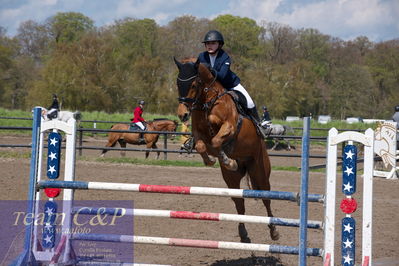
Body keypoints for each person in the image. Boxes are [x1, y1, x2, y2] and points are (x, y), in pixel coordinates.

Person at [198, 30, 268, 138]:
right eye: (207, 43)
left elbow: (222, 75)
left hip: (230, 84)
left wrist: (208, 69)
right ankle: (195, 134)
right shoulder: (202, 57)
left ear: (219, 44)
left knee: (249, 102)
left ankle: (259, 126)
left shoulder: (224, 57)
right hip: (212, 88)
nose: (209, 46)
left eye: (213, 43)